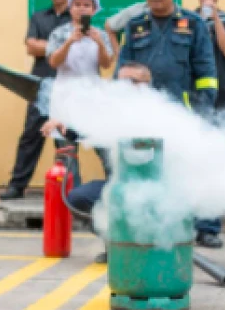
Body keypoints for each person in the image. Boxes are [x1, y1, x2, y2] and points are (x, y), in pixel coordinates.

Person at [116, 0, 219, 250]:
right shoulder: (134, 26)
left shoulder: (193, 23)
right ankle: (144, 228)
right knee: (145, 173)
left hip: (182, 112)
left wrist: (203, 109)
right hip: (144, 114)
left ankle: (207, 227)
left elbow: (206, 70)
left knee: (193, 170)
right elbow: (122, 68)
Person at [40, 61, 154, 263]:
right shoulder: (113, 113)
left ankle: (146, 245)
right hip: (118, 187)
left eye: (131, 82)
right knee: (79, 197)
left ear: (146, 85)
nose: (123, 88)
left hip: (151, 192)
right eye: (120, 82)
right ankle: (115, 244)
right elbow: (90, 132)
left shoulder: (159, 115)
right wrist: (62, 126)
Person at [0, 0, 72, 200]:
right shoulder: (38, 17)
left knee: (65, 137)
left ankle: (66, 187)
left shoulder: (77, 17)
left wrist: (48, 46)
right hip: (40, 84)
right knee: (31, 135)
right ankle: (17, 185)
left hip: (68, 84)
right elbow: (31, 46)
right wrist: (62, 46)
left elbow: (74, 50)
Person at [45, 0, 115, 181]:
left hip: (93, 97)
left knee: (105, 149)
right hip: (64, 99)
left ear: (94, 10)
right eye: (77, 4)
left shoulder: (99, 34)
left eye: (86, 5)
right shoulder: (59, 33)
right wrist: (69, 42)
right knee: (67, 155)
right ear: (70, 8)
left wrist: (99, 42)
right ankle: (71, 203)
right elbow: (53, 62)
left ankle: (111, 196)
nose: (82, 8)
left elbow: (107, 63)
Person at [194, 0, 225, 249]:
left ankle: (209, 228)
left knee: (213, 166)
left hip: (220, 103)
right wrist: (200, 19)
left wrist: (214, 20)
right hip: (192, 103)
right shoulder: (186, 19)